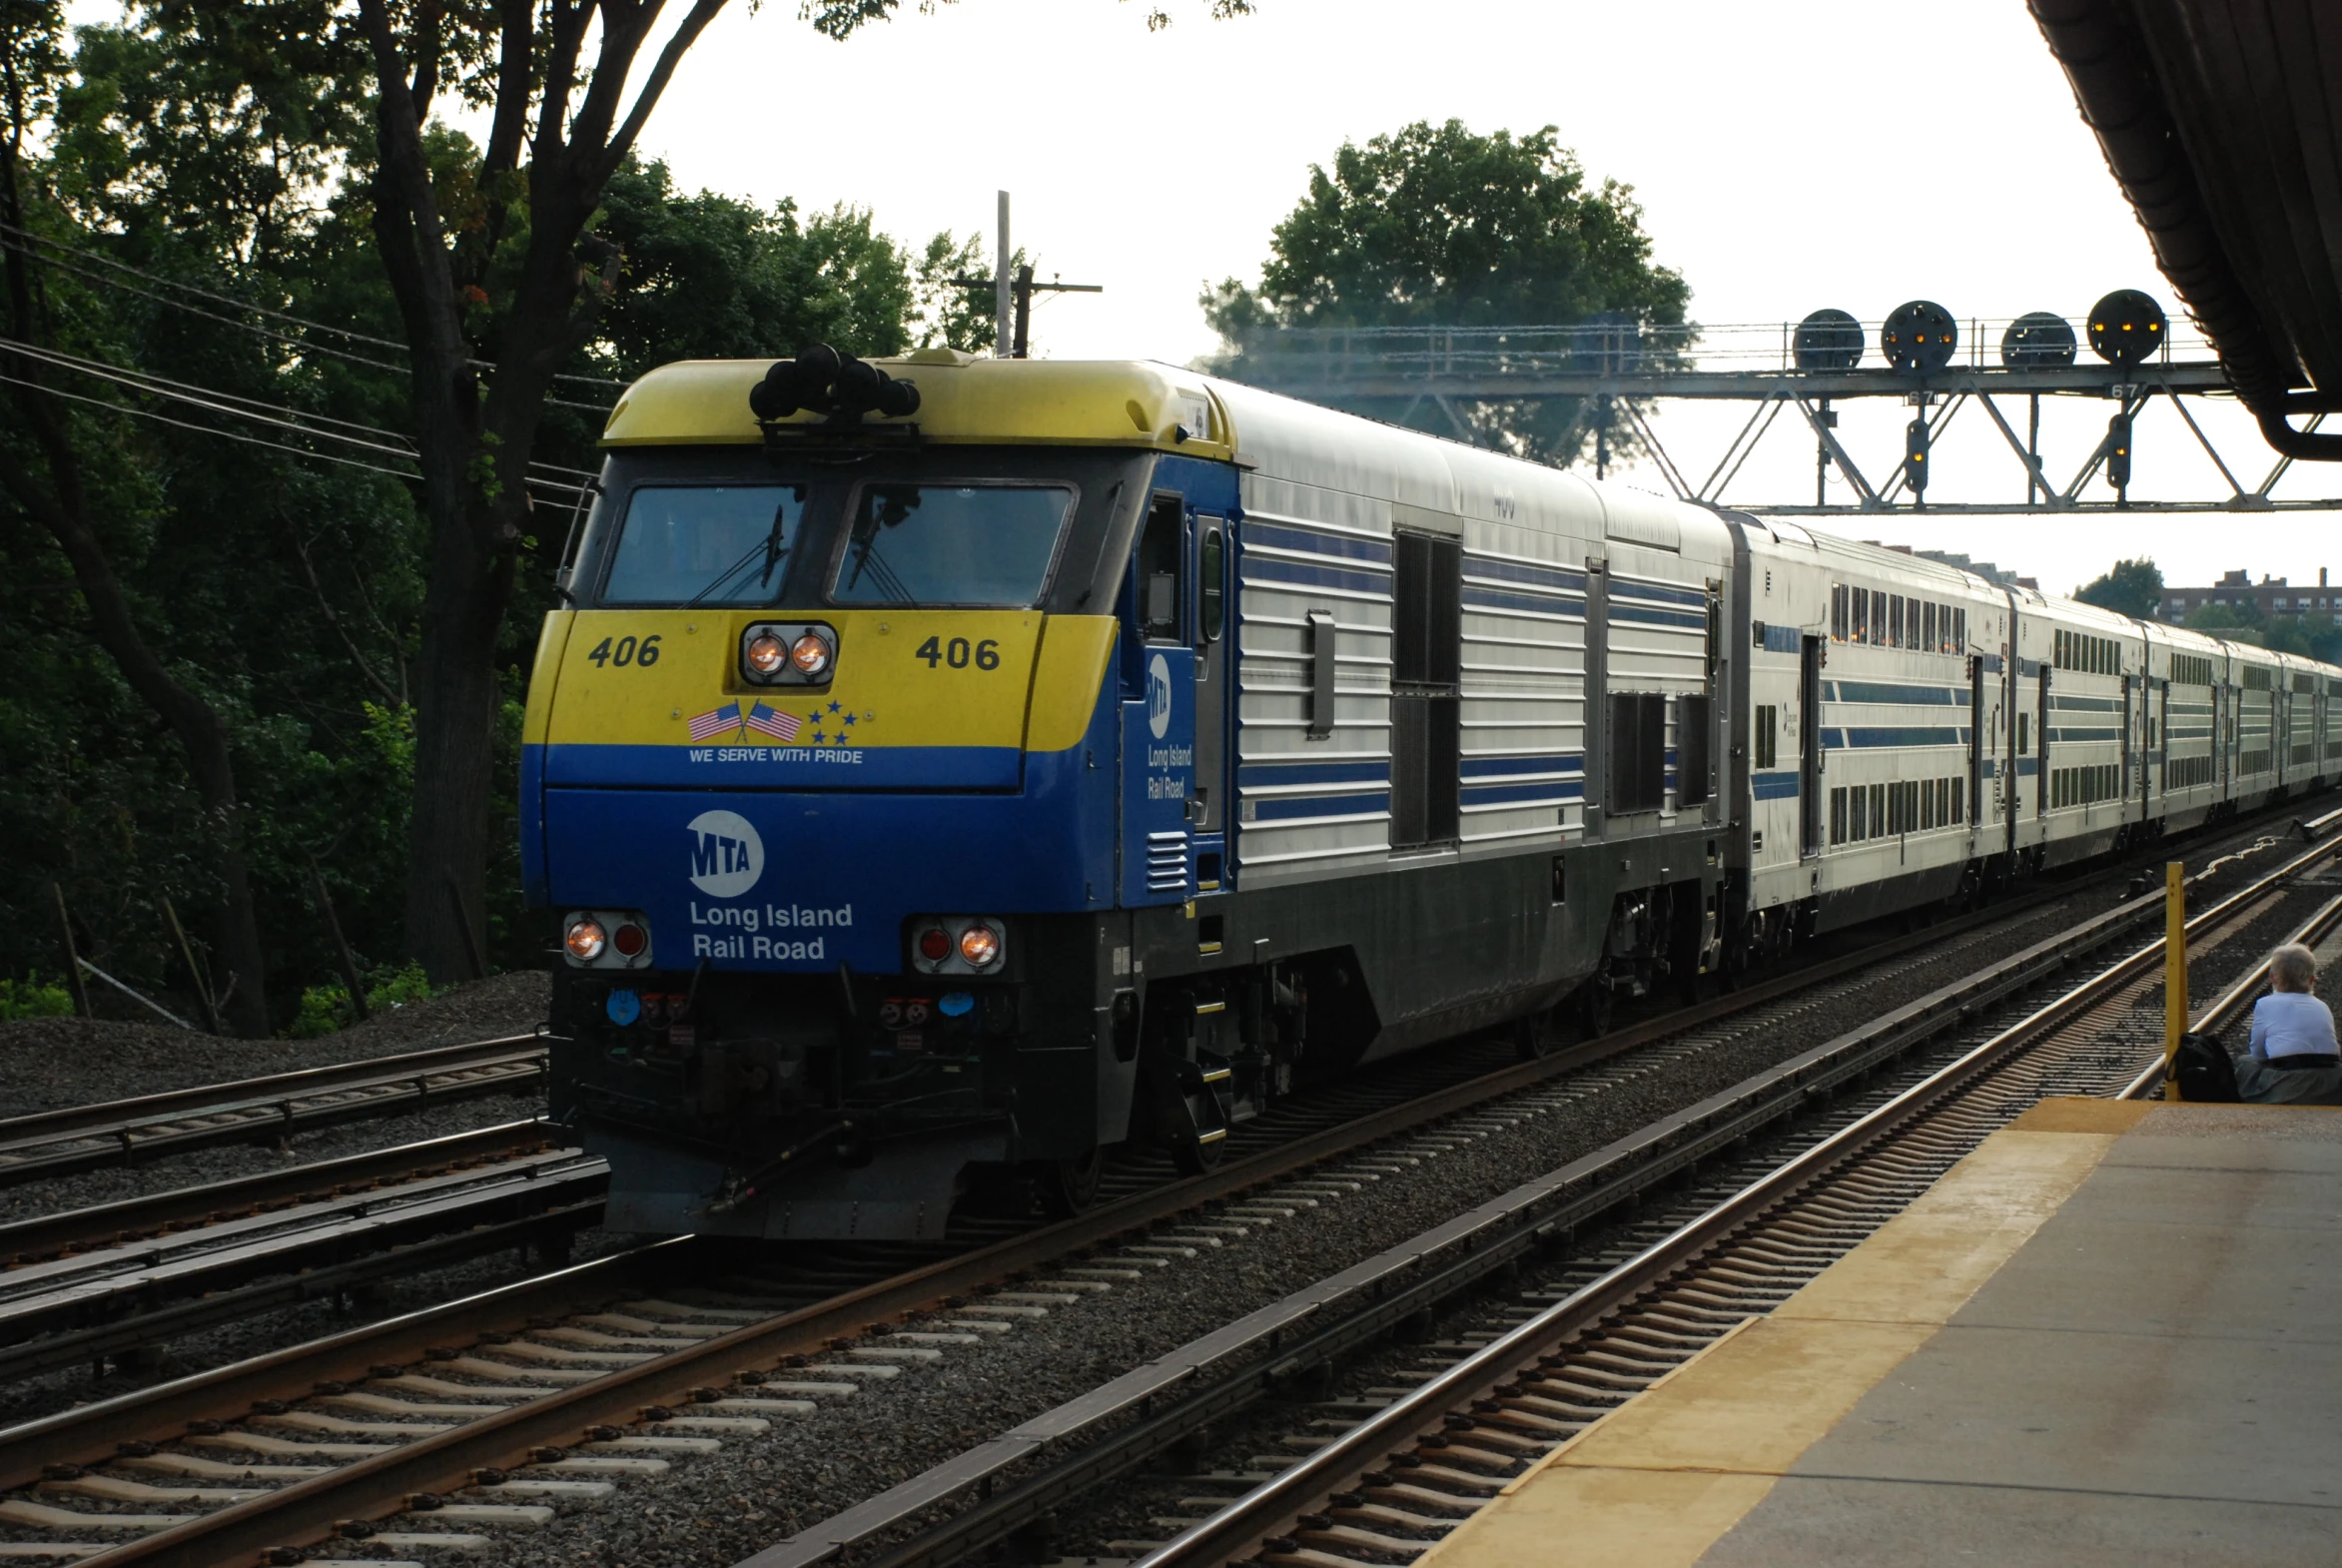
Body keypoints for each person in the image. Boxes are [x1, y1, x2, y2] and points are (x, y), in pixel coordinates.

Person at [2233, 944, 2342, 1106]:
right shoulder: (2322, 1005)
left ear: (2272, 977)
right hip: (2333, 1081)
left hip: (2289, 1082)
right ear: (2312, 979)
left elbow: (2258, 1055)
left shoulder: (2264, 1004)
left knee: (2245, 1063)